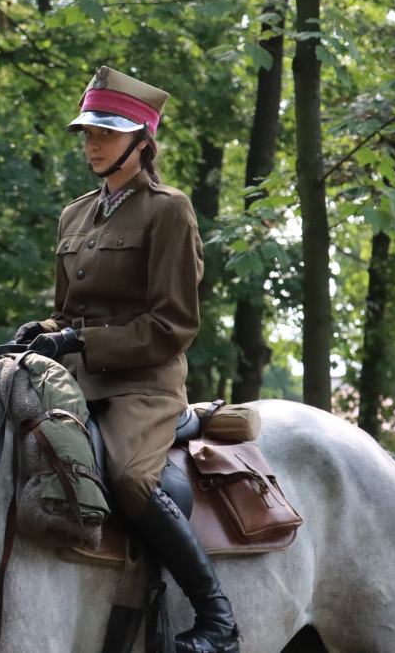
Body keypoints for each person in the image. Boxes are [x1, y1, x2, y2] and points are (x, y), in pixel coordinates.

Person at [12, 66, 239, 653]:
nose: (91, 144)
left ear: (141, 141)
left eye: (104, 134)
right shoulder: (75, 214)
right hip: (75, 380)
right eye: (86, 133)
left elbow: (174, 327)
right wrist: (43, 332)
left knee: (129, 479)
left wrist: (82, 343)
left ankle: (217, 619)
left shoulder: (169, 210)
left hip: (144, 384)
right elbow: (68, 312)